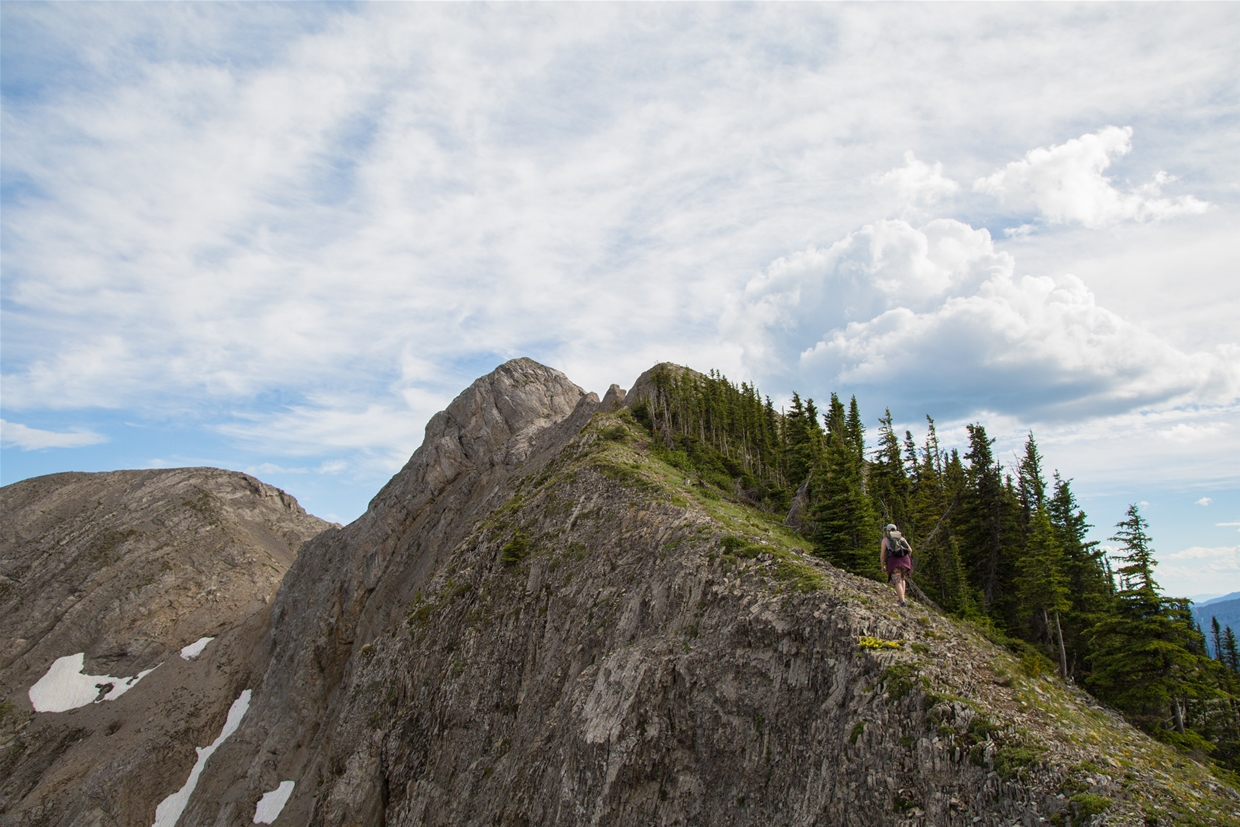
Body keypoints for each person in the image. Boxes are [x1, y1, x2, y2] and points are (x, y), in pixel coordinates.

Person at [880, 523, 913, 607]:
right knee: (902, 578)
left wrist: (882, 565)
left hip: (894, 561)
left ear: (887, 531)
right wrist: (907, 558)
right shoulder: (901, 538)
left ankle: (902, 602)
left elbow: (883, 555)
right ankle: (902, 598)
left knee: (897, 581)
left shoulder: (886, 539)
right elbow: (910, 550)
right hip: (905, 561)